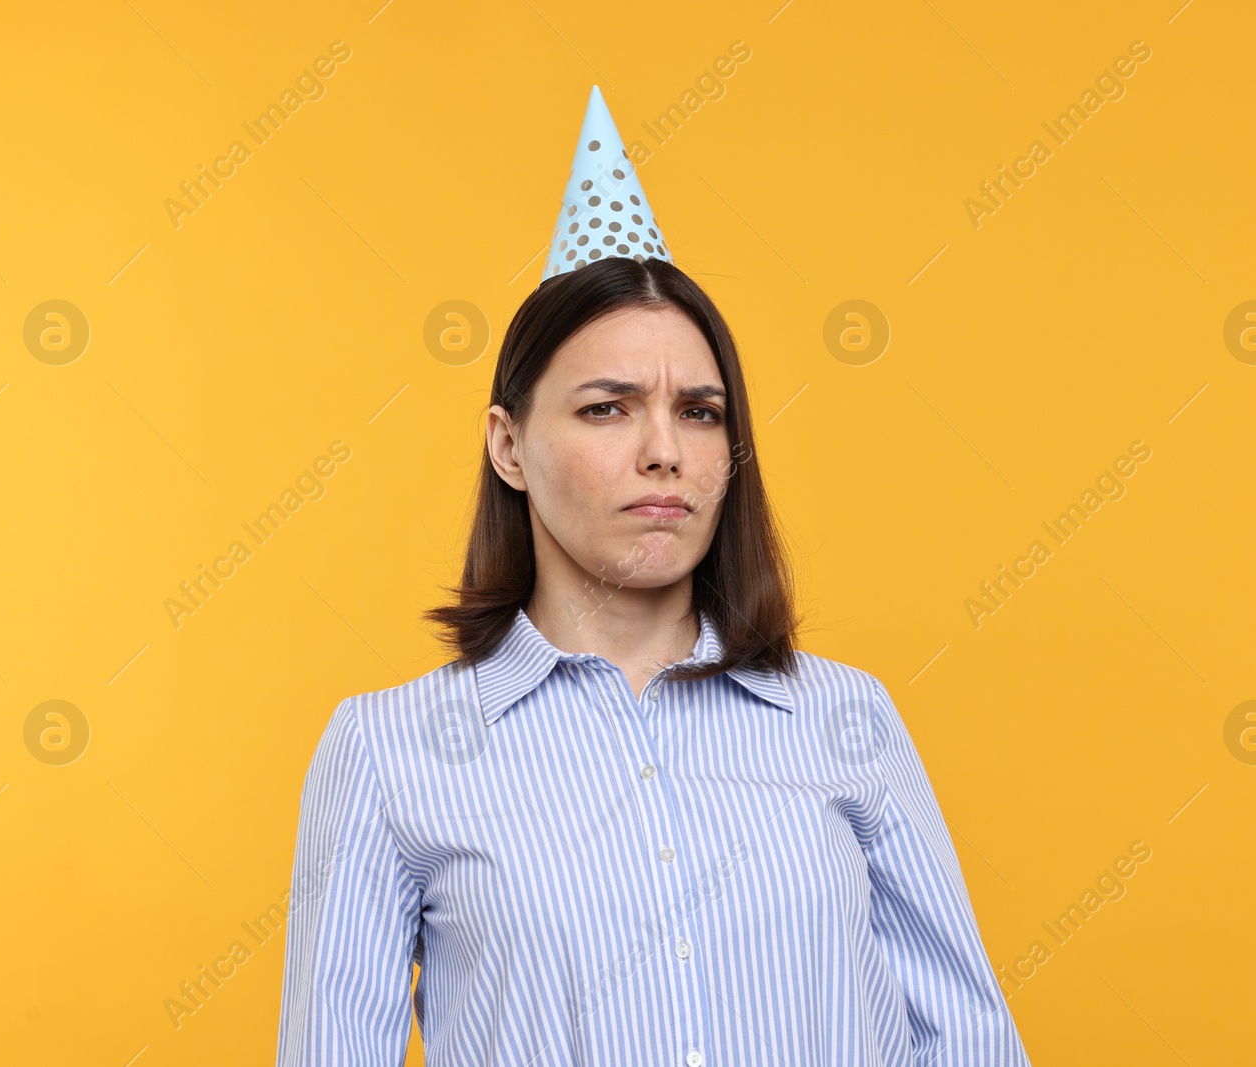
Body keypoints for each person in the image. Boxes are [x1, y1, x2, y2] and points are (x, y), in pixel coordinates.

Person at [275, 86, 1031, 1067]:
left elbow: (969, 1041)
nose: (664, 450)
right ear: (508, 445)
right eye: (606, 408)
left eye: (702, 411)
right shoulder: (387, 754)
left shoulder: (850, 719)